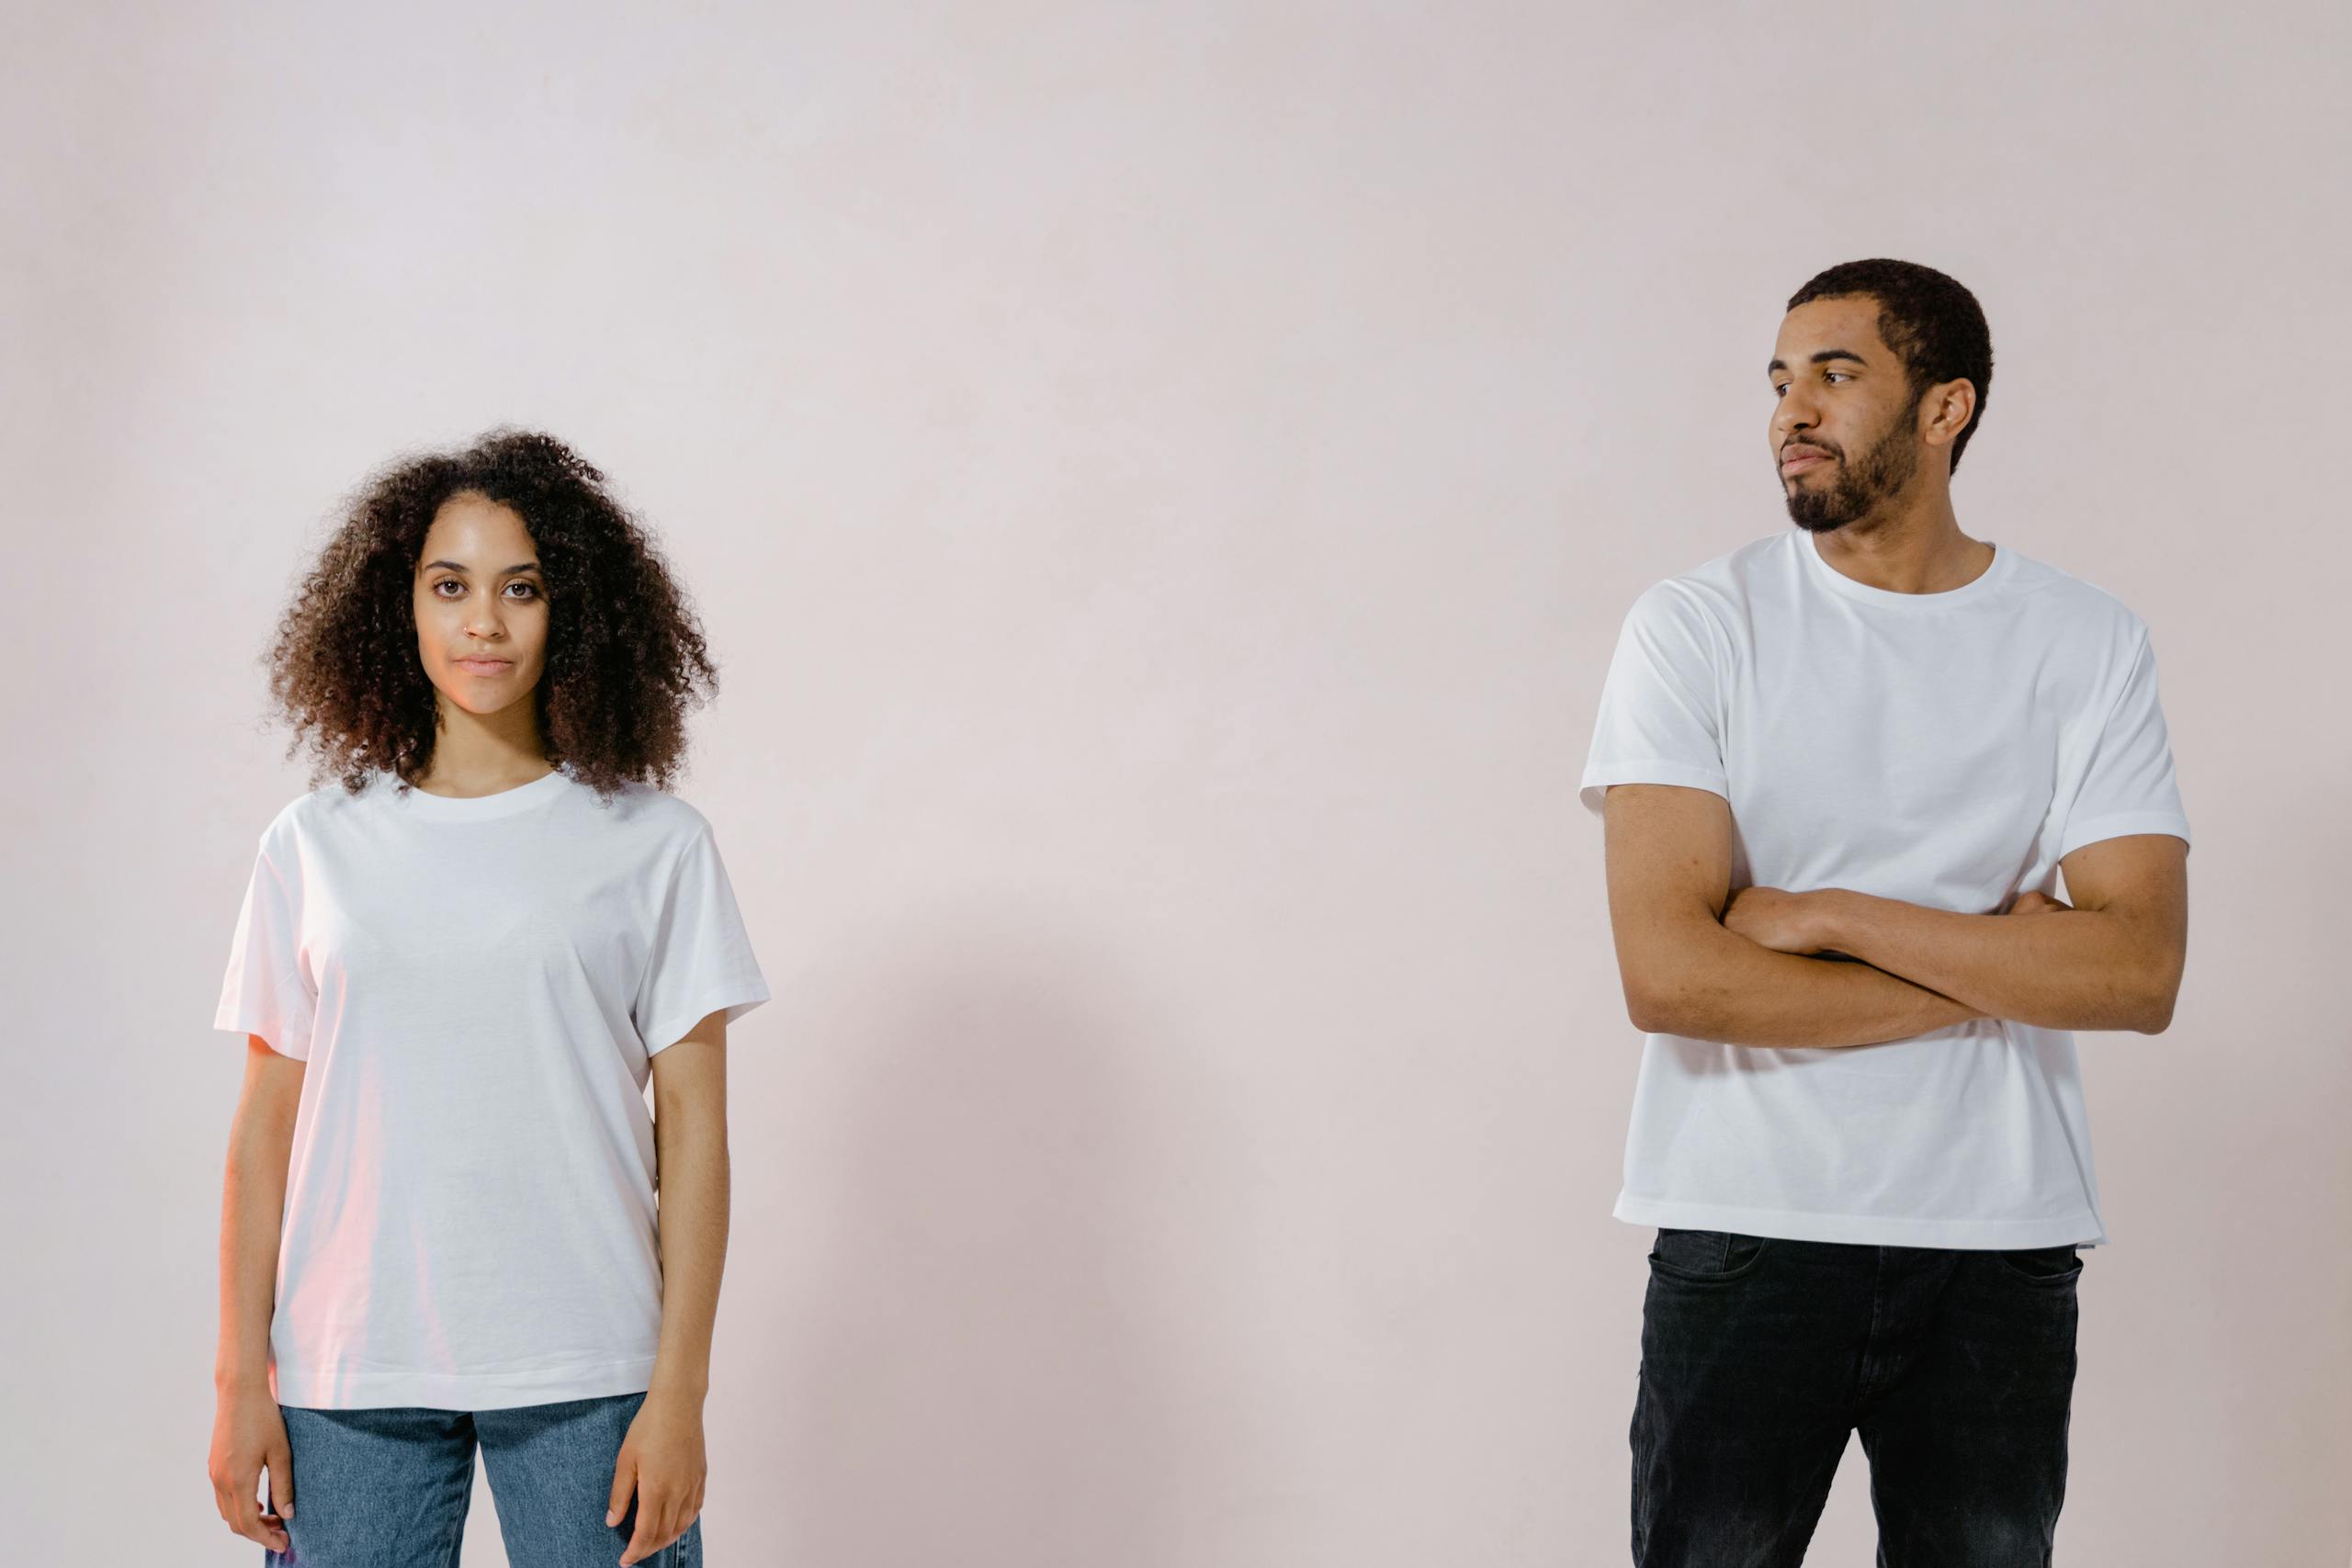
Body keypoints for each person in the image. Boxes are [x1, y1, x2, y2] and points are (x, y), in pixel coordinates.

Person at [1579, 259, 2191, 1564]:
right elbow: (1675, 976)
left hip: (1999, 1237)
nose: (1792, 410)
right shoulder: (1697, 625)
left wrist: (1828, 912)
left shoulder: (2084, 640)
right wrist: (2012, 959)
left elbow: (2138, 970)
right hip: (1749, 1224)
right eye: (1781, 379)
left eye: (1837, 374)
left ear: (1944, 407)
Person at [206, 429, 770, 1567]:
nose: (484, 623)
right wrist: (237, 1383)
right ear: (395, 608)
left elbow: (696, 1135)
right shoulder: (313, 844)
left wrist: (681, 1394)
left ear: (574, 610)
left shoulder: (653, 844)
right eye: (449, 586)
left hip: (592, 1366)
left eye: (522, 589)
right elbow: (267, 1127)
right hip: (347, 1365)